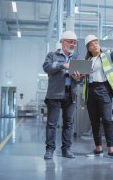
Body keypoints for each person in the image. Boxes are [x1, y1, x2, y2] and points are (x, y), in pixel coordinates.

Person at [82, 27, 113, 159]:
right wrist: (78, 75)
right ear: (89, 48)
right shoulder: (86, 62)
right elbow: (80, 79)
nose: (95, 45)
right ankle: (98, 148)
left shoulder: (106, 56)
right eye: (92, 44)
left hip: (104, 90)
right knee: (94, 121)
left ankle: (111, 150)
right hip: (91, 91)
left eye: (96, 42)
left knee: (107, 120)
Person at [42, 31, 81, 159]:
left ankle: (66, 149)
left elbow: (80, 79)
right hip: (55, 94)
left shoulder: (76, 58)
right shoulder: (52, 55)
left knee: (68, 123)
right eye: (70, 41)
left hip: (71, 94)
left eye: (74, 42)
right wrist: (63, 65)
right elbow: (47, 67)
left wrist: (78, 77)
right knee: (52, 124)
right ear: (62, 42)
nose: (73, 44)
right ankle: (49, 150)